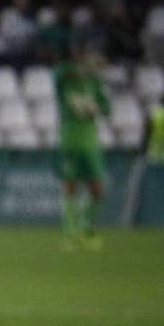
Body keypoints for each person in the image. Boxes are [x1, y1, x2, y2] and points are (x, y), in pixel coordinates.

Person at [53, 46, 111, 252]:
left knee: (97, 189)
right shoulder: (64, 80)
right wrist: (81, 68)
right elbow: (58, 72)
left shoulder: (94, 83)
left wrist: (94, 107)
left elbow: (107, 109)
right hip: (69, 141)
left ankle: (85, 228)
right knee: (70, 185)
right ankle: (71, 233)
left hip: (90, 142)